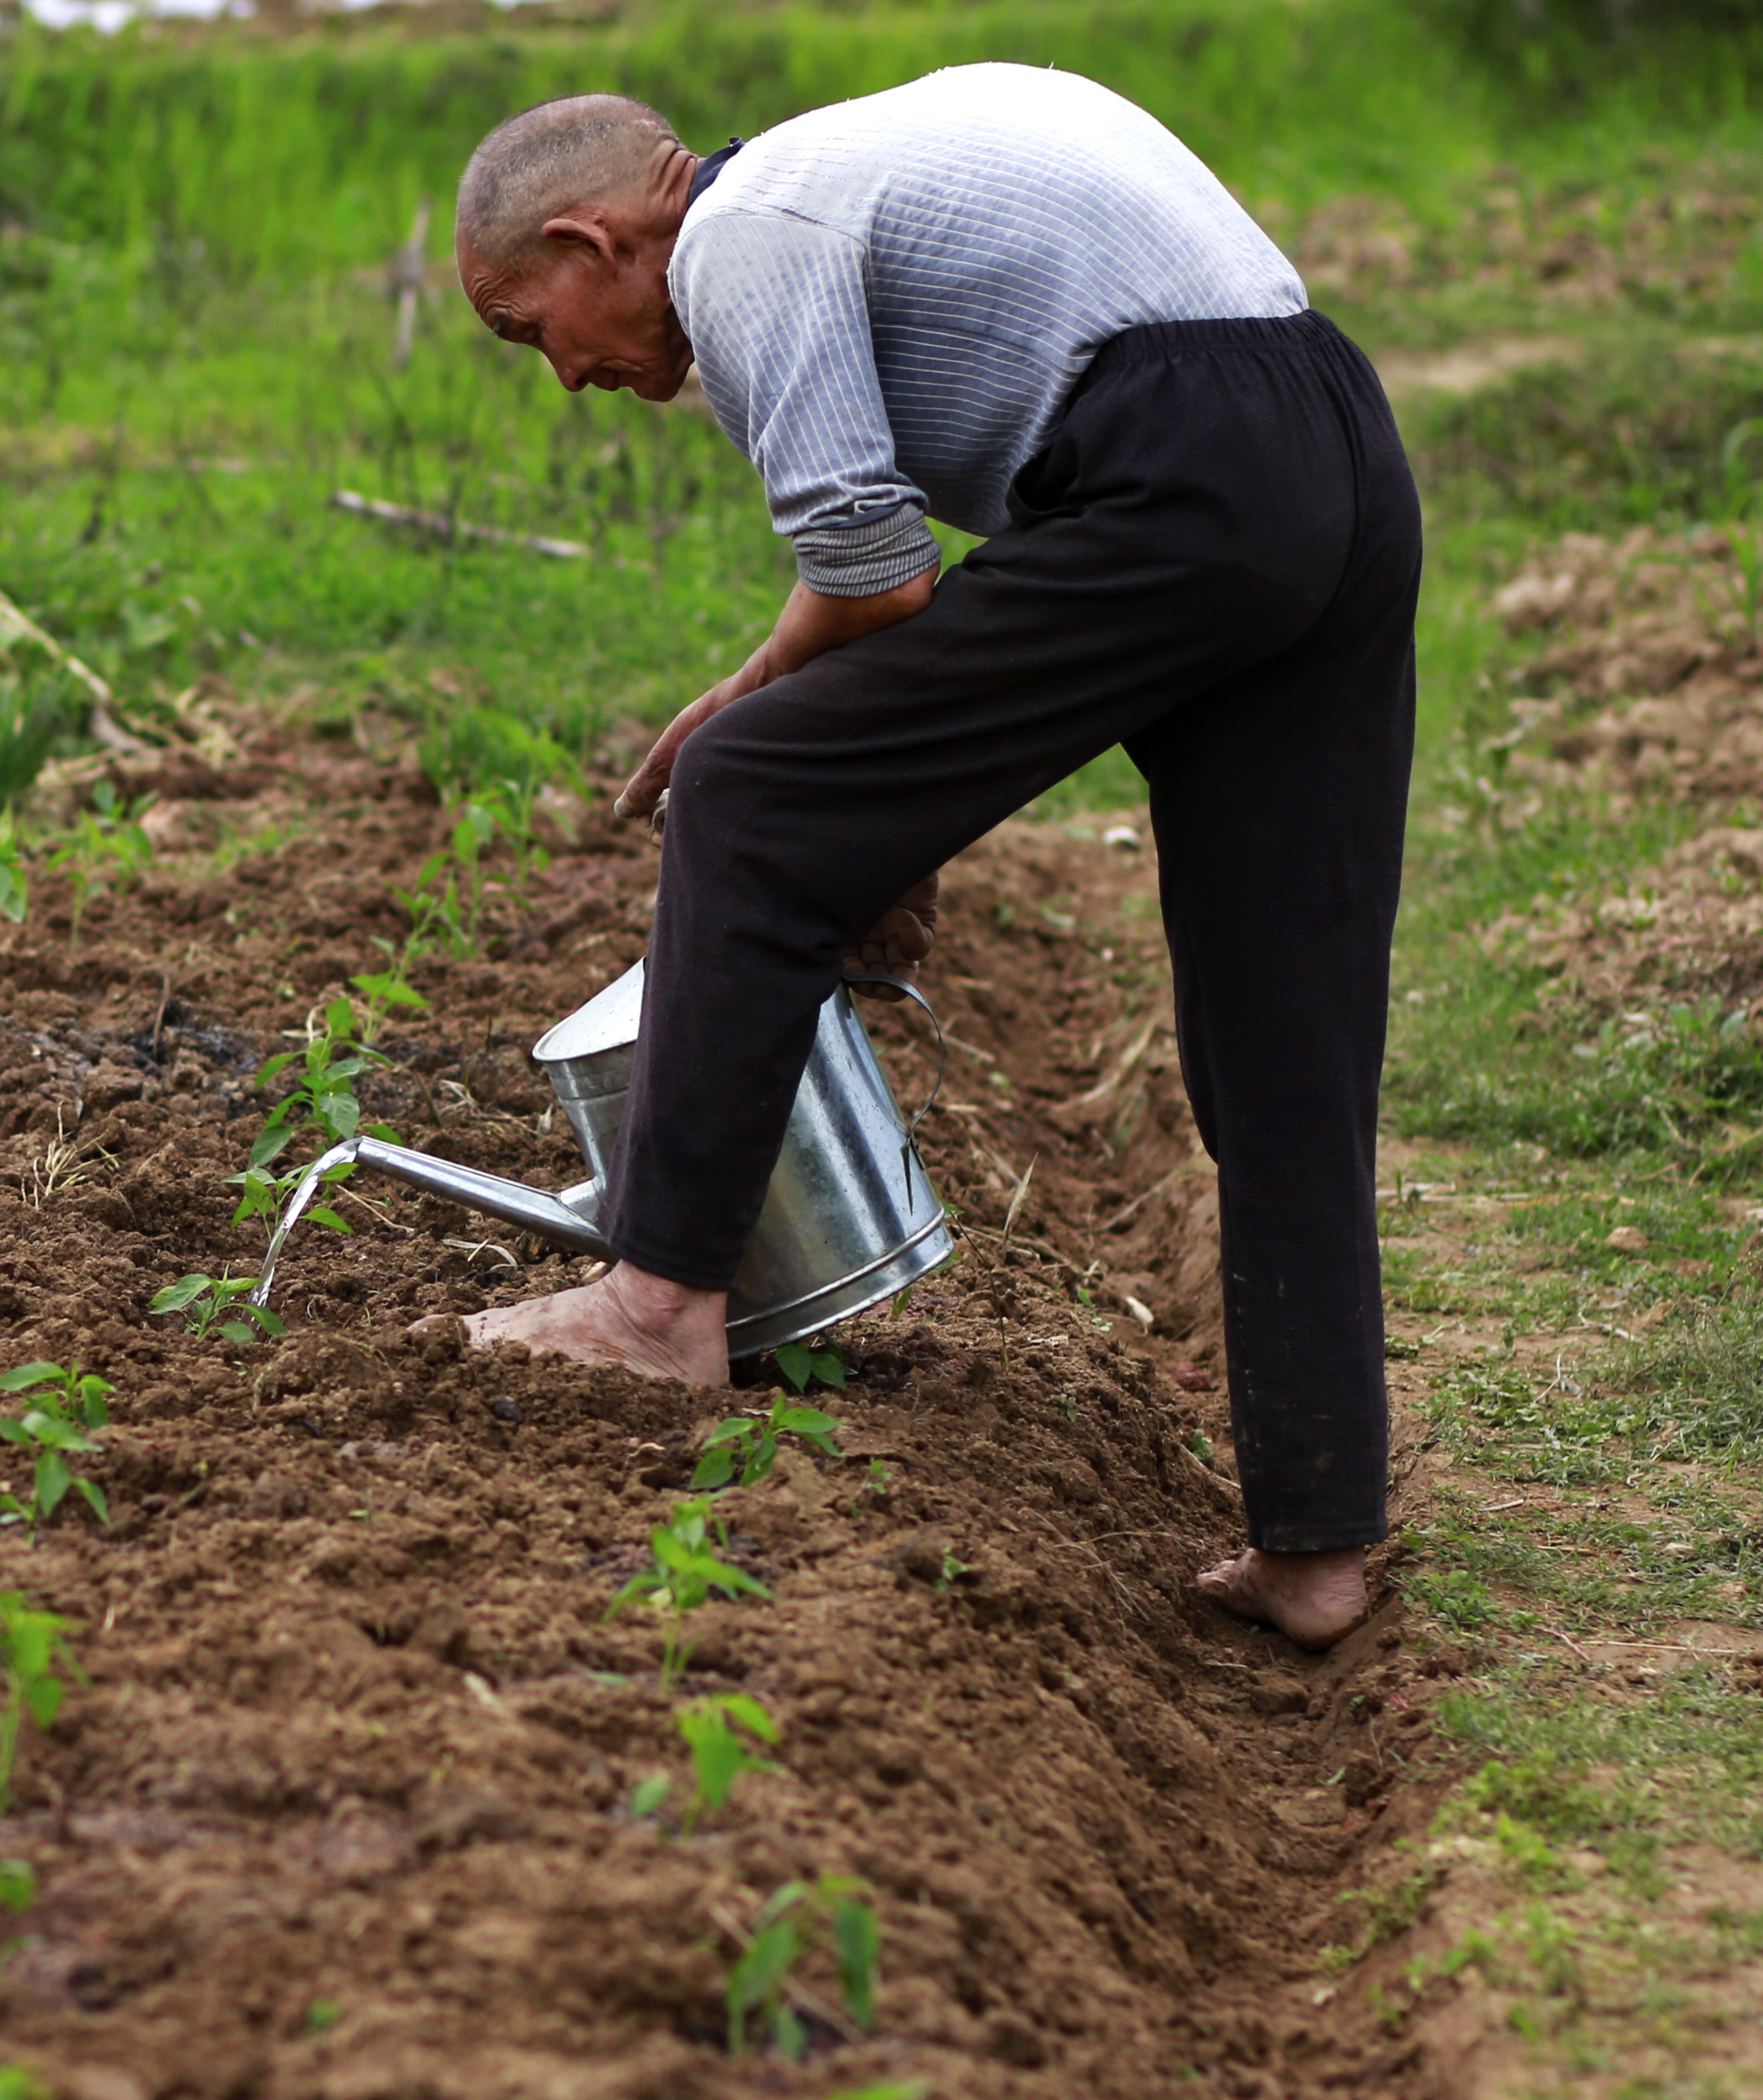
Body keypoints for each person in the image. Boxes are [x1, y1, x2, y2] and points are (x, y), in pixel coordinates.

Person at [441, 69, 1417, 1651]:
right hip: (1332, 453)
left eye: (526, 324)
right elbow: (891, 596)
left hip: (1190, 459)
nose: (558, 375)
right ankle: (1317, 1542)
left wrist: (755, 717)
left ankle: (659, 1303)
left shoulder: (739, 233)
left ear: (590, 238)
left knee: (746, 797)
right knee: (1279, 1038)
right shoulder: (829, 175)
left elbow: (875, 576)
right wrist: (829, 743)